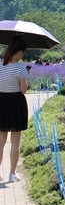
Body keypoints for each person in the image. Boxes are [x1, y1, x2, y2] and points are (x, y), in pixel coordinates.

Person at [0, 37, 29, 182]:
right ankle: (12, 173)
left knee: (1, 140)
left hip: (1, 102)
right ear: (18, 52)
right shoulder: (20, 68)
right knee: (15, 140)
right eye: (22, 53)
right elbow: (23, 90)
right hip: (16, 102)